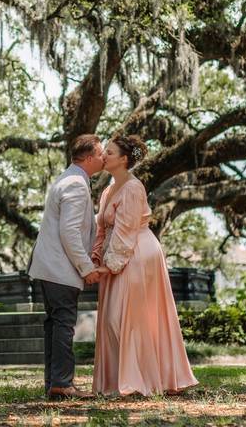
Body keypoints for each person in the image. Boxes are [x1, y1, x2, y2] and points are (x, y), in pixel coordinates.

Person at [89, 134, 198, 397]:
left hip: (137, 254)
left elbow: (126, 230)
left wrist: (110, 265)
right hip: (115, 255)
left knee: (133, 317)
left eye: (110, 153)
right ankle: (121, 380)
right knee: (114, 319)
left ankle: (141, 380)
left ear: (124, 160)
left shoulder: (134, 187)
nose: (104, 157)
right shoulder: (107, 190)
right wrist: (96, 257)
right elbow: (101, 228)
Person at [28, 134, 105, 400]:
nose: (104, 157)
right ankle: (62, 382)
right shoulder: (76, 184)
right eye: (101, 153)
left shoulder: (69, 179)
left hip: (49, 267)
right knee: (63, 324)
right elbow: (70, 233)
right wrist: (86, 268)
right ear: (88, 157)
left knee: (54, 325)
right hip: (60, 268)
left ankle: (54, 383)